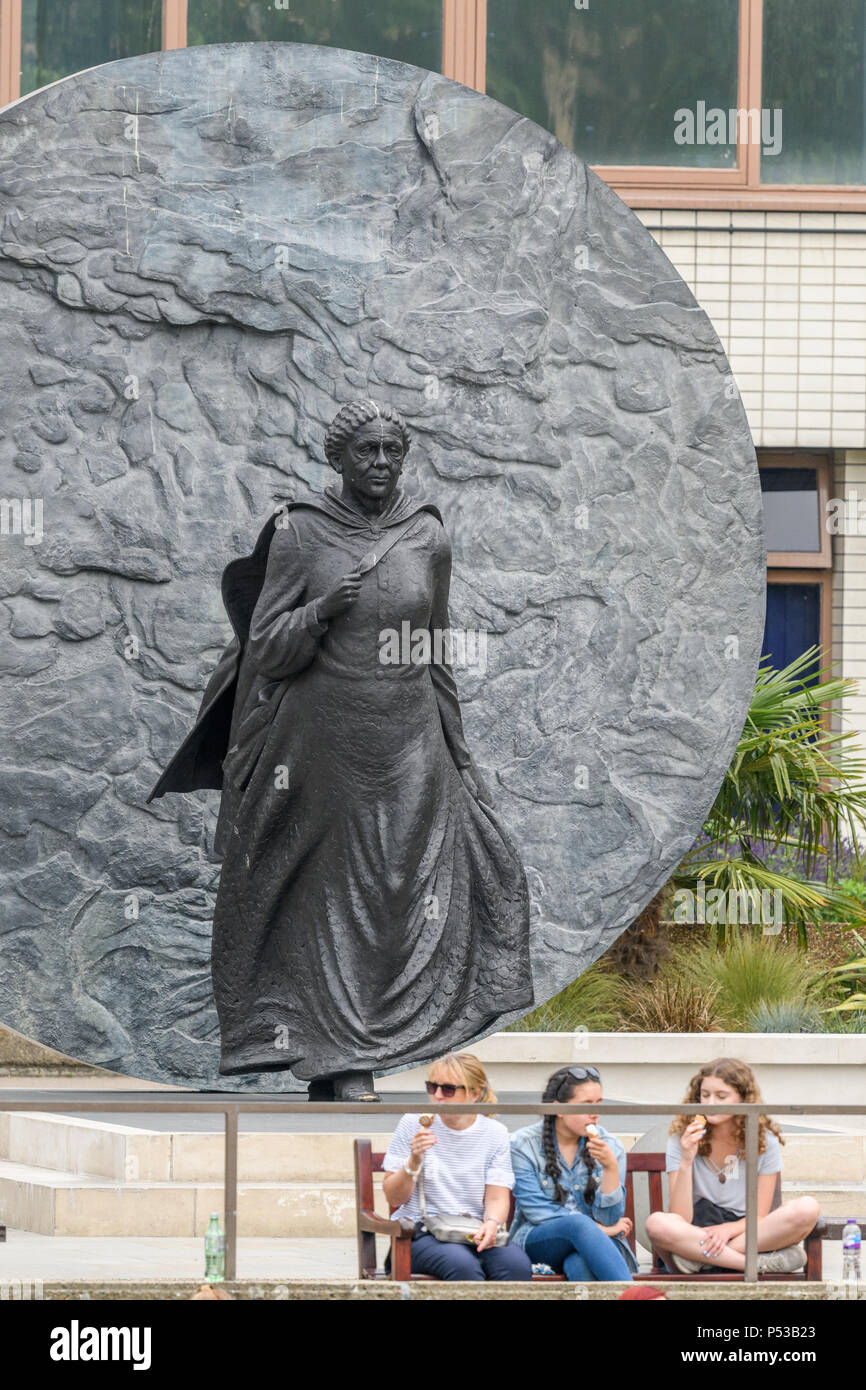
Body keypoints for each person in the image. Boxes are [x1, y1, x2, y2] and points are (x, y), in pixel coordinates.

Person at [149, 399, 533, 1101]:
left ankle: (365, 1044)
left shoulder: (427, 536)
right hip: (322, 738)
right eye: (368, 451)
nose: (382, 463)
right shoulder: (299, 532)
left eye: (393, 450)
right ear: (339, 458)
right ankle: (339, 1054)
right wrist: (321, 608)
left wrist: (462, 754)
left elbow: (435, 651)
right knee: (331, 894)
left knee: (415, 886)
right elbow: (265, 646)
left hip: (410, 735)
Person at [645, 1057, 820, 1275]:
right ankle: (753, 1265)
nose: (710, 1104)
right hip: (698, 1229)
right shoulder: (681, 1139)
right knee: (657, 1224)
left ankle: (699, 1259)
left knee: (807, 1208)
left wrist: (727, 1230)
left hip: (744, 1230)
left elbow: (760, 1215)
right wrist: (687, 1160)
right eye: (705, 1095)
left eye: (721, 1096)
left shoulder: (763, 1141)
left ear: (742, 1099)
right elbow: (681, 1217)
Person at [381, 1052, 532, 1281]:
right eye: (432, 1087)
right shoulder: (413, 1123)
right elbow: (393, 1198)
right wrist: (413, 1161)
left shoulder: (494, 1133)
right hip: (419, 1233)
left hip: (471, 1229)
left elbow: (496, 1197)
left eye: (448, 1089)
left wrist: (492, 1224)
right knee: (462, 1266)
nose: (438, 1096)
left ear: (474, 1093)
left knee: (516, 1266)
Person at [509, 1065, 636, 1281]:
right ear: (559, 1109)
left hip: (593, 1250)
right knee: (579, 1225)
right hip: (540, 1242)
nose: (595, 1114)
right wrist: (598, 1229)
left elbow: (609, 1218)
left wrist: (610, 1168)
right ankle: (637, 1296)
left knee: (579, 1264)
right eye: (586, 1105)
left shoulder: (610, 1146)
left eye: (598, 1104)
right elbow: (537, 1212)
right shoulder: (524, 1145)